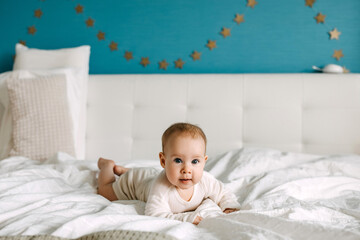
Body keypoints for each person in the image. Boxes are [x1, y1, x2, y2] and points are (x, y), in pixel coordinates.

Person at [97, 122, 240, 225]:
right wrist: (187, 218)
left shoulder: (205, 180)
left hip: (148, 176)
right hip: (134, 183)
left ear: (204, 161)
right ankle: (107, 166)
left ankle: (124, 170)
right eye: (178, 160)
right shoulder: (161, 188)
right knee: (104, 191)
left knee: (148, 176)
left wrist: (229, 206)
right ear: (163, 161)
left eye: (195, 161)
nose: (186, 169)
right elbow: (155, 214)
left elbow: (223, 193)